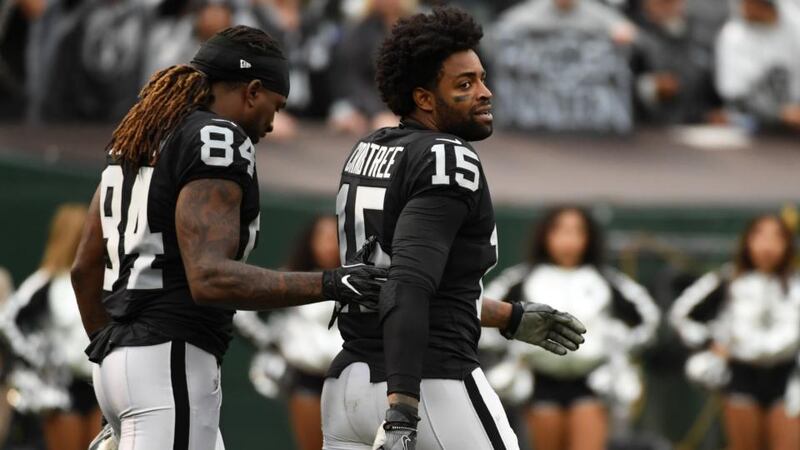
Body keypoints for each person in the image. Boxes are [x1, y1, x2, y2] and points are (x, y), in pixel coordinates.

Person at [69, 25, 387, 450]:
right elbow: (210, 278)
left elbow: (83, 269)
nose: (272, 124)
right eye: (274, 107)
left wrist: (112, 351)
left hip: (121, 367)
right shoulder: (216, 137)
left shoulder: (142, 136)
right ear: (252, 91)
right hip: (170, 362)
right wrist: (332, 282)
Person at [321, 7, 587, 450]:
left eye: (482, 78)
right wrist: (403, 407)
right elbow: (408, 284)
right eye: (465, 85)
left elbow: (401, 278)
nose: (485, 93)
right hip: (427, 384)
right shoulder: (447, 157)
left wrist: (508, 316)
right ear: (425, 98)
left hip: (347, 385)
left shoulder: (369, 148)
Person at [484, 207, 660, 450]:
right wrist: (512, 347)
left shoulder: (606, 279)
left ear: (589, 238)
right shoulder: (522, 278)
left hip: (591, 383)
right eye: (560, 231)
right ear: (545, 235)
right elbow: (485, 315)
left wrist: (619, 346)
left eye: (577, 232)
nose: (568, 240)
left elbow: (647, 318)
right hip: (540, 383)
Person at [669, 214, 800, 450]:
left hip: (787, 379)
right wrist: (711, 341)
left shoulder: (795, 285)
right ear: (747, 242)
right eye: (759, 236)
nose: (767, 246)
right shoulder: (728, 279)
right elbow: (682, 315)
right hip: (742, 377)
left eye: (776, 238)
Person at [234, 215, 342, 450]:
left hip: (347, 380)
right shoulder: (293, 277)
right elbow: (243, 313)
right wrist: (273, 342)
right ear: (310, 241)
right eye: (323, 237)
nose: (330, 244)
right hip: (308, 380)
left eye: (336, 237)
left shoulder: (356, 279)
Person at [0, 204, 102, 450]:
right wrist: (44, 371)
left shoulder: (99, 280)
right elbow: (10, 326)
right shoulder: (43, 284)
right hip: (64, 391)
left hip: (99, 386)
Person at [327, 0, 417, 136]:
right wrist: (377, 112)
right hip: (365, 104)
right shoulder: (359, 30)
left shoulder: (416, 28)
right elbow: (353, 78)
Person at [630, 0, 721, 124]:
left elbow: (711, 86)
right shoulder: (635, 38)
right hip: (651, 128)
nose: (668, 8)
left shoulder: (699, 36)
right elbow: (623, 87)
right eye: (663, 3)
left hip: (695, 125)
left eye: (672, 2)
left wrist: (715, 111)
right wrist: (650, 87)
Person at [715, 0, 800, 131]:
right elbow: (735, 93)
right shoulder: (733, 35)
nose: (743, 8)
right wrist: (779, 113)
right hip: (751, 124)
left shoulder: (795, 28)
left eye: (750, 3)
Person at [493, 0, 637, 46]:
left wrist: (623, 33)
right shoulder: (531, 12)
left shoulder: (594, 11)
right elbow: (501, 30)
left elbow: (627, 30)